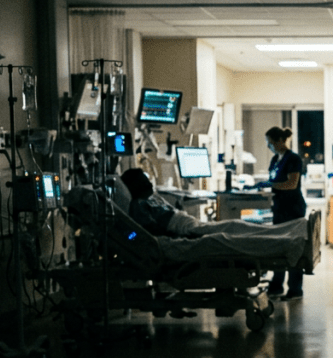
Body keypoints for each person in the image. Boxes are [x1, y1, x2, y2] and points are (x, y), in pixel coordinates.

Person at [119, 167, 275, 238]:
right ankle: (272, 235)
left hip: (190, 223)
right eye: (145, 182)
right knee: (231, 227)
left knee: (232, 226)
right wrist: (177, 236)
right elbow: (150, 230)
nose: (150, 184)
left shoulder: (151, 199)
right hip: (187, 229)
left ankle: (272, 233)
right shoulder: (137, 205)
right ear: (137, 186)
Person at [263, 127, 307, 299]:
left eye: (271, 143)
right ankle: (276, 285)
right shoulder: (275, 159)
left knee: (293, 248)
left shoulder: (293, 159)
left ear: (280, 141)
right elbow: (273, 180)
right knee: (279, 247)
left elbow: (291, 184)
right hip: (279, 208)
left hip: (292, 208)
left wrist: (269, 185)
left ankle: (295, 289)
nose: (269, 147)